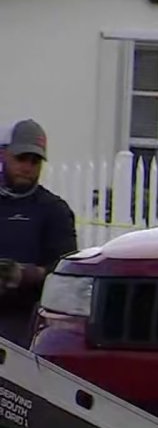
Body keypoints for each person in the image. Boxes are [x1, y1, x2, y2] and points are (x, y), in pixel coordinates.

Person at [0, 119, 78, 348]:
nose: (27, 167)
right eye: (21, 158)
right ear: (3, 155)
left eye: (35, 161)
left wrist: (26, 275)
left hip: (25, 322)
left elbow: (68, 270)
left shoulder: (54, 210)